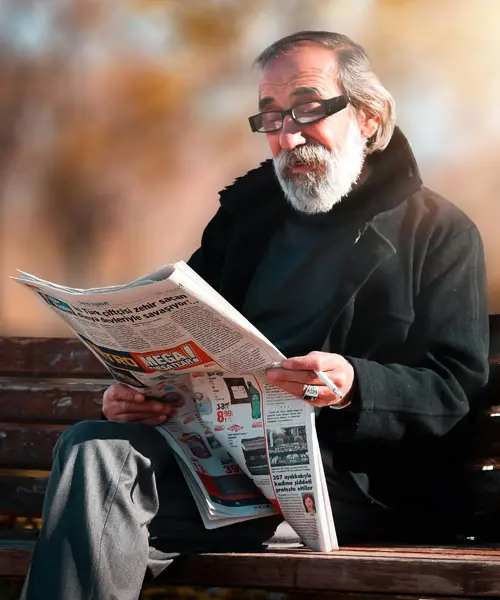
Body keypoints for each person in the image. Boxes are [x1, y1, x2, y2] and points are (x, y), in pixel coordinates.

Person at [21, 30, 489, 600]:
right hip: (219, 463)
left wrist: (352, 385)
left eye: (308, 109)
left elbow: (453, 391)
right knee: (96, 448)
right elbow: (183, 328)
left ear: (368, 117)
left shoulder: (439, 232)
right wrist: (137, 393)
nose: (288, 135)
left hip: (348, 483)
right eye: (271, 118)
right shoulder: (244, 220)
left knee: (102, 527)